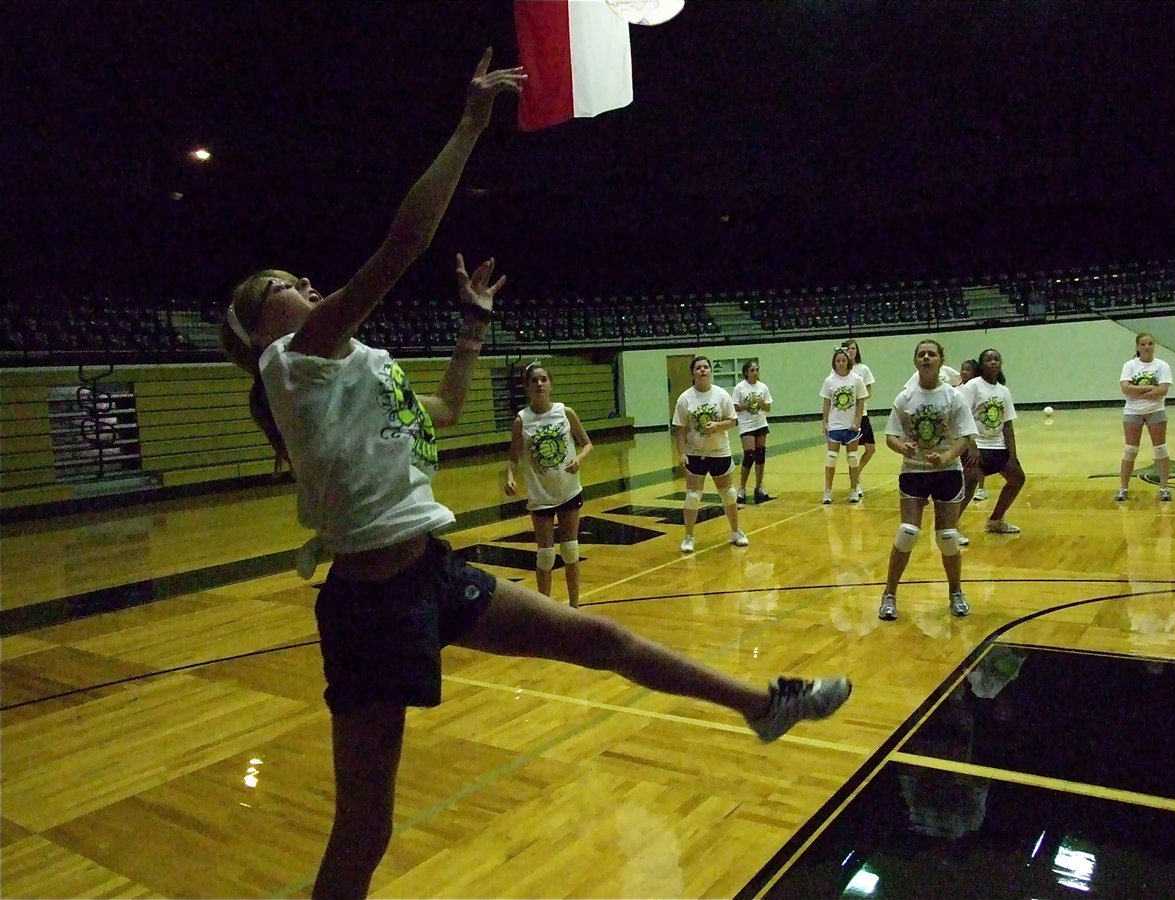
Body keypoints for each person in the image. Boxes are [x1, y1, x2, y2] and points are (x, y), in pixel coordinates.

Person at [218, 52, 851, 899]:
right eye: (280, 287)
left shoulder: (347, 367)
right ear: (260, 332)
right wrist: (471, 125)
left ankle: (763, 707)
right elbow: (402, 246)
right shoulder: (291, 365)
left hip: (430, 574)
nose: (300, 282)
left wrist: (472, 329)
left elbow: (439, 412)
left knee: (606, 641)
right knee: (364, 828)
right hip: (372, 608)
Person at [879, 339, 978, 621]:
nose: (926, 358)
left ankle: (956, 592)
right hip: (914, 471)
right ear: (915, 361)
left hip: (947, 472)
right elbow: (891, 437)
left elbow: (964, 437)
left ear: (940, 360)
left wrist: (947, 456)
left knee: (948, 537)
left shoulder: (954, 397)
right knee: (907, 533)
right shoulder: (905, 398)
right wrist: (903, 448)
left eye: (931, 354)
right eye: (921, 354)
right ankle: (889, 594)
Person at [504, 361, 593, 608]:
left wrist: (579, 459)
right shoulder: (522, 420)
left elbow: (587, 443)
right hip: (540, 494)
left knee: (571, 550)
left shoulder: (565, 412)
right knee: (545, 555)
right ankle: (546, 610)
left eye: (544, 379)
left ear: (551, 384)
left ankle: (574, 606)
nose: (540, 384)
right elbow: (513, 458)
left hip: (567, 489)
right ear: (527, 387)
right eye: (534, 380)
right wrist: (509, 477)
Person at [673, 355, 749, 551]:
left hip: (719, 451)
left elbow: (732, 420)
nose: (703, 370)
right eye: (698, 368)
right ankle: (688, 537)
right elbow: (680, 429)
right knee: (693, 496)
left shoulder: (722, 395)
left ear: (710, 371)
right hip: (695, 452)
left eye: (706, 367)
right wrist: (681, 453)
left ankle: (736, 530)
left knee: (728, 494)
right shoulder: (684, 399)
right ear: (693, 373)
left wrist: (717, 426)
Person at [958, 349, 1024, 540]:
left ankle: (995, 520)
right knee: (970, 483)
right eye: (988, 359)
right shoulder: (973, 386)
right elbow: (963, 416)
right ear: (981, 364)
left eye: (996, 359)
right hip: (977, 444)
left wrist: (1012, 455)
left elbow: (1008, 425)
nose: (993, 362)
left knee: (1017, 478)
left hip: (998, 445)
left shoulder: (1003, 391)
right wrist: (971, 445)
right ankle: (951, 527)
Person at [1116, 332, 1173, 501]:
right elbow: (1125, 388)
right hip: (1132, 412)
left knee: (1160, 449)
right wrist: (1149, 390)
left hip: (1156, 411)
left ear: (1154, 346)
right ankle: (1123, 488)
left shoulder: (1162, 366)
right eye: (1143, 344)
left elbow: (1162, 390)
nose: (1147, 347)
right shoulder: (1129, 366)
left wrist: (1137, 391)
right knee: (1130, 450)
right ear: (1137, 347)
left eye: (1150, 344)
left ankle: (1164, 488)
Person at [820, 347, 868, 504]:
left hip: (851, 426)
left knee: (853, 458)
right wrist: (825, 422)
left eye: (843, 361)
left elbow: (861, 401)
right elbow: (826, 402)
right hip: (835, 425)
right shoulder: (829, 381)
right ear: (834, 363)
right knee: (831, 458)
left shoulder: (856, 380)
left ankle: (854, 489)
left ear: (848, 362)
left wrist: (857, 421)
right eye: (837, 361)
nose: (840, 363)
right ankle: (828, 491)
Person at [732, 359, 773, 503]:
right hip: (746, 425)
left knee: (760, 454)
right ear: (746, 373)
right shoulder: (740, 388)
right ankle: (742, 487)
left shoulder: (763, 387)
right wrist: (746, 405)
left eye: (757, 370)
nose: (755, 373)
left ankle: (759, 486)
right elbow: (735, 406)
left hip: (760, 423)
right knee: (749, 455)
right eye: (752, 370)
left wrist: (762, 404)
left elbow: (768, 408)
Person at [840, 339, 877, 487]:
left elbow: (868, 391)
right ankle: (854, 484)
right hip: (846, 416)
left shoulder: (863, 369)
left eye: (853, 348)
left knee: (870, 448)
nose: (851, 351)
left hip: (862, 413)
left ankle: (857, 473)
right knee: (852, 451)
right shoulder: (840, 371)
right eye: (848, 348)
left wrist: (858, 399)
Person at [958, 359, 987, 502]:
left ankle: (981, 488)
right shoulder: (957, 390)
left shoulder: (977, 389)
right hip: (959, 436)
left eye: (967, 370)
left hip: (975, 435)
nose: (963, 372)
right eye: (962, 369)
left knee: (976, 466)